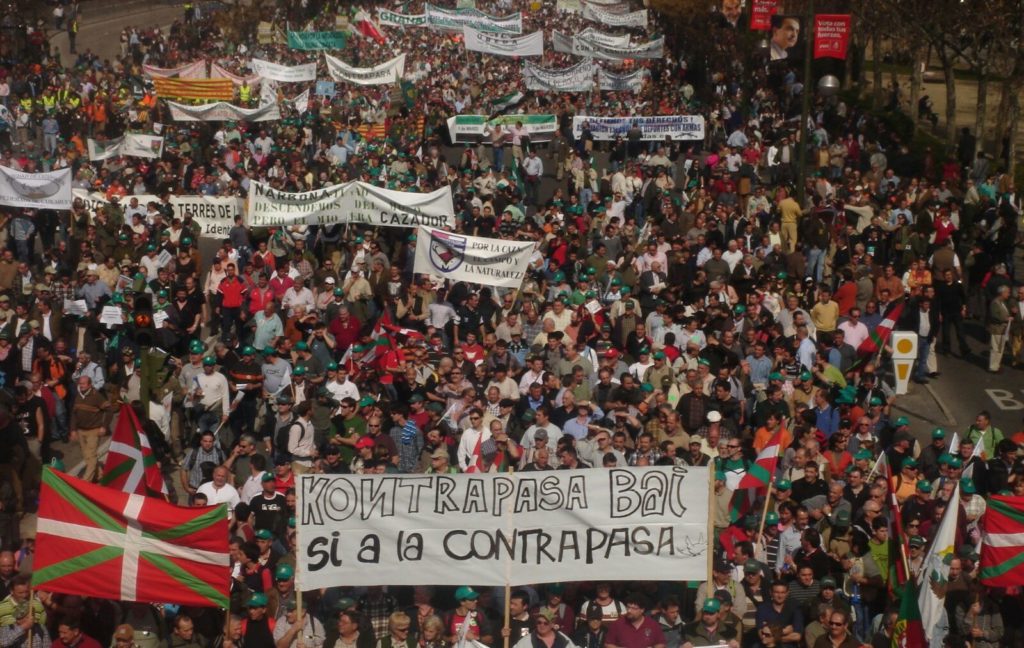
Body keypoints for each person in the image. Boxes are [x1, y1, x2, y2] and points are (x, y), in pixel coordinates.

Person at [511, 610, 576, 648]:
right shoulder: (526, 641)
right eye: (539, 622)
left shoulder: (562, 638)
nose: (542, 625)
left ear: (552, 625)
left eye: (546, 623)